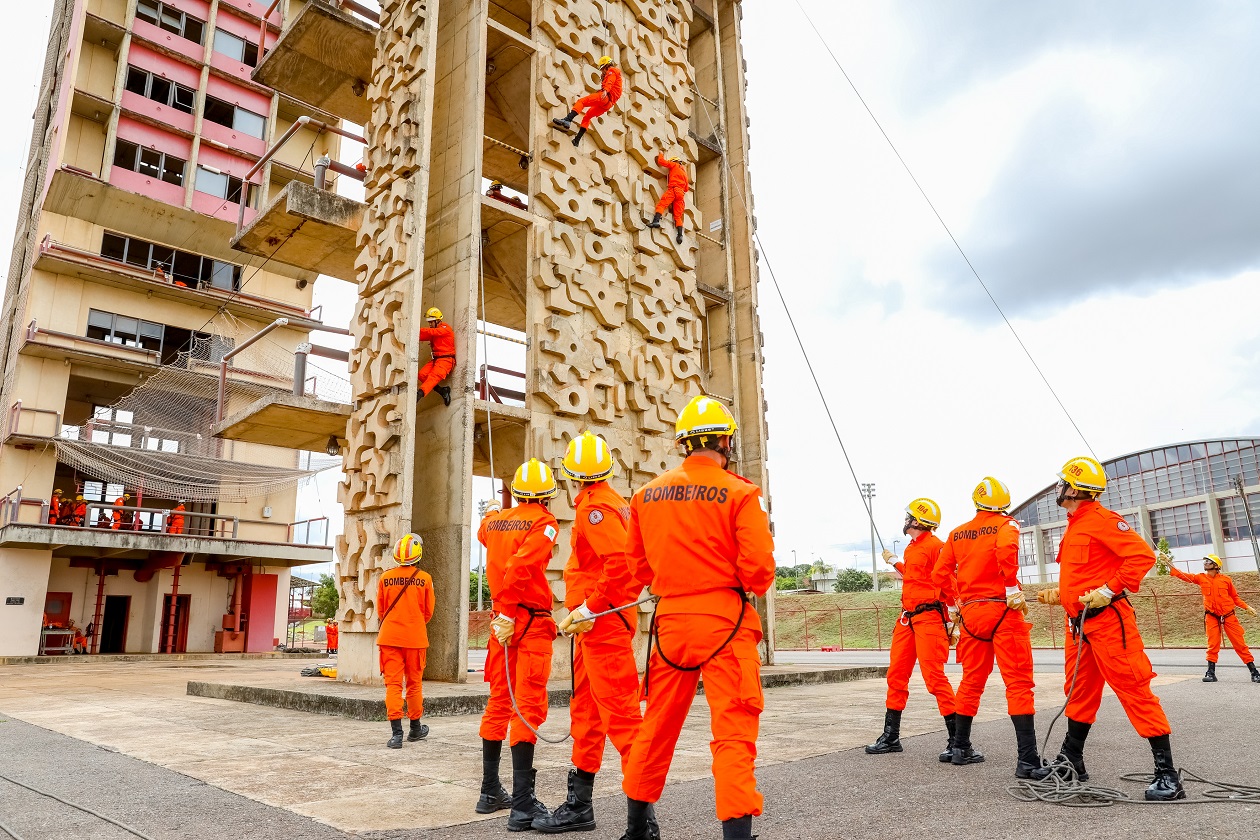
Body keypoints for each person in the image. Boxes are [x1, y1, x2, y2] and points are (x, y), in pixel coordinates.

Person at [620, 395, 775, 840]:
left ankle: (637, 829)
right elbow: (760, 573)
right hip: (725, 622)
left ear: (684, 443)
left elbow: (638, 570)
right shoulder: (742, 493)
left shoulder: (646, 495)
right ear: (725, 442)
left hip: (670, 625)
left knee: (657, 725)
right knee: (733, 731)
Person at [1032, 456, 1185, 800]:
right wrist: (1064, 595)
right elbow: (1088, 571)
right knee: (1078, 693)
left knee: (1134, 689)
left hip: (1110, 624)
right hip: (1081, 626)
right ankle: (1072, 761)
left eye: (1062, 483)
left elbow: (1143, 557)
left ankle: (1167, 774)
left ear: (1075, 489)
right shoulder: (1074, 523)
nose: (1058, 488)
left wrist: (1109, 589)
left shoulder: (1102, 520)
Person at [532, 431, 646, 834]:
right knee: (587, 715)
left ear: (571, 476)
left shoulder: (595, 509)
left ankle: (642, 823)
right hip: (597, 626)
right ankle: (579, 806)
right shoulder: (617, 503)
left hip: (603, 625)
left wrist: (588, 607)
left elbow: (619, 567)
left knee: (623, 721)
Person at [931, 477, 1041, 777]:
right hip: (1002, 610)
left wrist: (955, 605)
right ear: (1003, 503)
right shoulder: (1007, 525)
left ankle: (959, 747)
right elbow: (1006, 553)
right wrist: (1010, 589)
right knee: (1018, 682)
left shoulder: (956, 533)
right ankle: (1028, 761)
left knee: (971, 680)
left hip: (971, 613)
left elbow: (939, 574)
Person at [477, 459, 561, 829]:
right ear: (545, 496)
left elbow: (485, 533)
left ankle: (489, 790)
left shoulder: (494, 522)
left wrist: (493, 510)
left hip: (500, 624)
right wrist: (511, 613)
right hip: (526, 621)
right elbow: (521, 567)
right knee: (527, 705)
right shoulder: (544, 522)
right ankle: (523, 805)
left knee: (499, 701)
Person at [865, 497, 957, 760]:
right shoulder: (913, 547)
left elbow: (948, 581)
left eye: (909, 516)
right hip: (908, 618)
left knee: (934, 678)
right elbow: (916, 577)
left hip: (929, 617)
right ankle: (891, 736)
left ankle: (957, 739)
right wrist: (895, 561)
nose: (905, 520)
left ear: (918, 520)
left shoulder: (936, 547)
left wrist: (953, 615)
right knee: (896, 675)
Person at [377, 533, 435, 748]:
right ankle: (415, 728)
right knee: (414, 684)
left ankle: (396, 735)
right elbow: (428, 611)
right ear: (417, 554)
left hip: (389, 638)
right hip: (416, 638)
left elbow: (381, 610)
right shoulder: (425, 578)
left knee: (392, 685)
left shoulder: (385, 578)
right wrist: (415, 623)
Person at [1168, 554, 1258, 683]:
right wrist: (1169, 564)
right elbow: (1185, 576)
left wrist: (1246, 607)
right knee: (1212, 644)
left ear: (1216, 566)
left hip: (1228, 616)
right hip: (1211, 617)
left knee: (1240, 644)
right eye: (1205, 561)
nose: (1205, 563)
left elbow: (1235, 597)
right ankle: (1210, 673)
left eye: (1208, 562)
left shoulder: (1226, 580)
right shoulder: (1201, 577)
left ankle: (1254, 672)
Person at [551, 56, 623, 147]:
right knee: (587, 116)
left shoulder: (612, 71)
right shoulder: (617, 75)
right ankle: (577, 140)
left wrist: (605, 90)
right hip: (608, 104)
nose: (602, 72)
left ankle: (568, 120)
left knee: (581, 102)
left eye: (602, 69)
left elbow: (610, 81)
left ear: (606, 66)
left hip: (604, 97)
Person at [646, 154, 688, 245]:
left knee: (662, 205)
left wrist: (661, 153)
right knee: (677, 216)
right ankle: (680, 235)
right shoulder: (684, 172)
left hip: (673, 189)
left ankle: (656, 221)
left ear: (674, 161)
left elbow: (661, 162)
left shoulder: (674, 165)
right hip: (681, 194)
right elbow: (686, 188)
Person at [417, 307, 454, 406]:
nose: (429, 324)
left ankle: (419, 395)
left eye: (431, 322)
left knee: (432, 378)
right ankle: (442, 391)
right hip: (436, 360)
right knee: (422, 375)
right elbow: (422, 335)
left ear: (438, 320)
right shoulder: (434, 330)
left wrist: (416, 330)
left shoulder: (445, 329)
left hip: (446, 361)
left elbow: (432, 332)